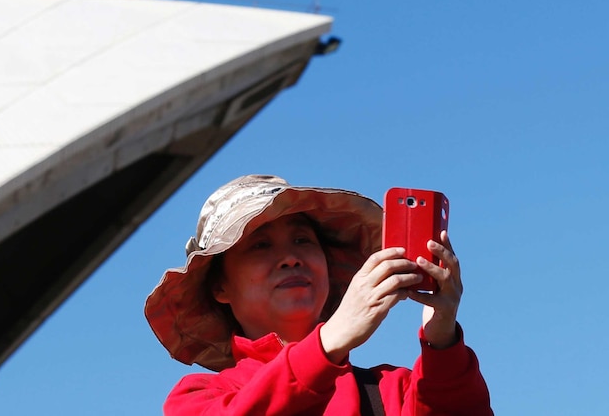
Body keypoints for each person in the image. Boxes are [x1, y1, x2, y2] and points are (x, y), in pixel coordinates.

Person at [144, 175, 492, 415]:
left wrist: (442, 341)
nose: (291, 257)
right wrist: (328, 344)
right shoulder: (198, 399)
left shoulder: (395, 391)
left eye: (302, 241)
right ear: (220, 287)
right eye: (260, 245)